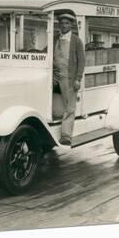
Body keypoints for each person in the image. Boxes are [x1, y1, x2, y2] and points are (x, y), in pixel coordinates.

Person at [53, 11, 85, 149]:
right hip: (54, 76)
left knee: (69, 107)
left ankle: (66, 136)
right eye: (61, 23)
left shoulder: (76, 40)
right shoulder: (55, 38)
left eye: (66, 23)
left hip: (68, 77)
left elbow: (82, 61)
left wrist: (78, 78)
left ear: (71, 25)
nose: (63, 25)